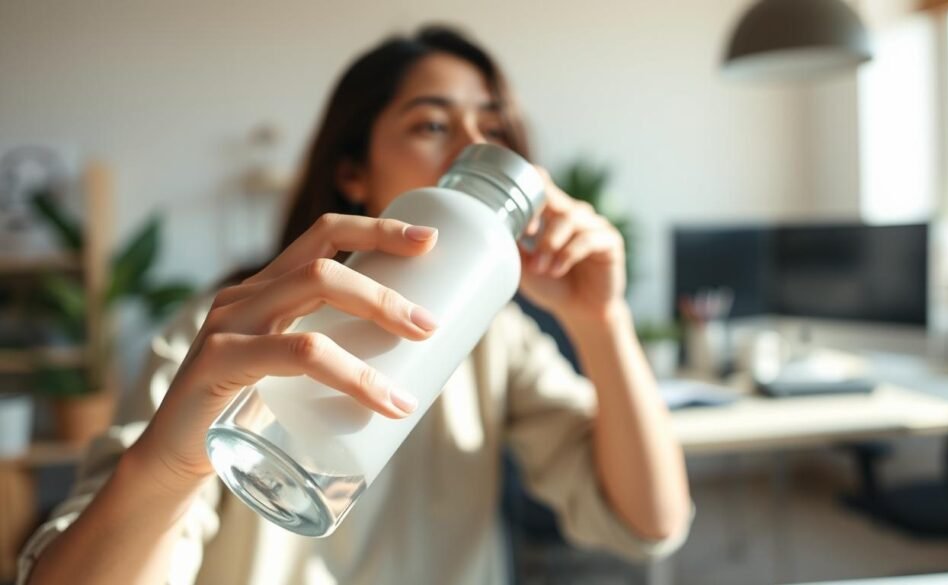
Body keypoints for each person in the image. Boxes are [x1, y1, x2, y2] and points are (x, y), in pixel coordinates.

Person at [19, 25, 692, 585]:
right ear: (353, 173)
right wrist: (169, 464)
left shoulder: (495, 340)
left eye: (493, 126)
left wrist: (600, 321)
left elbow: (648, 522)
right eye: (432, 122)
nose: (471, 145)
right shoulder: (227, 333)